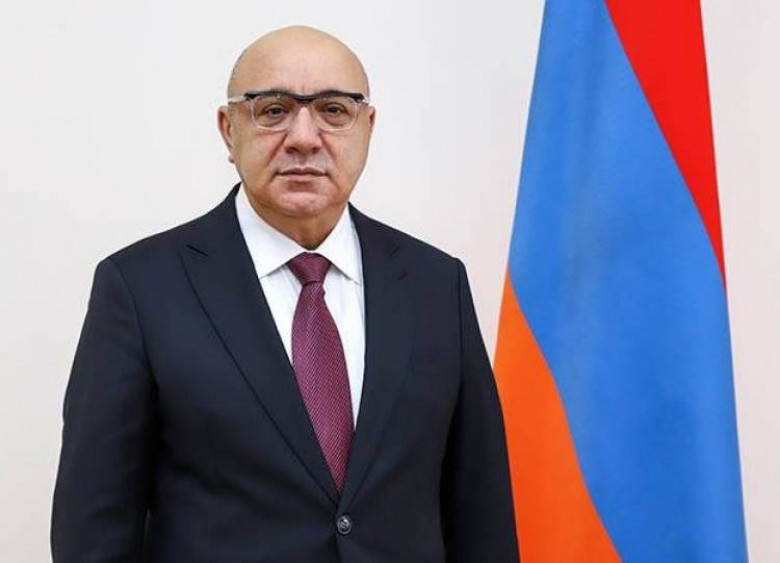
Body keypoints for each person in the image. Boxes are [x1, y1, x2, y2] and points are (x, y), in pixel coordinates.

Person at [51, 26, 519, 562]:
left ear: (367, 128)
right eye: (273, 110)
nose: (303, 137)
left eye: (334, 110)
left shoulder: (436, 283)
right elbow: (93, 530)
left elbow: (481, 514)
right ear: (229, 130)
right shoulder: (140, 288)